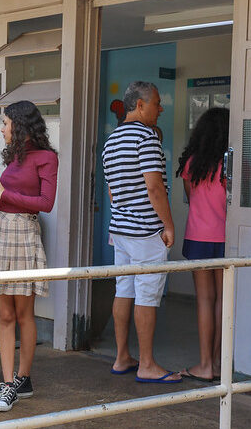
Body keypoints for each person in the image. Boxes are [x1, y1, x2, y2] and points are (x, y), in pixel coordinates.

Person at [0, 101, 58, 412]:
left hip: (24, 233)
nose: (2, 128)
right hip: (3, 233)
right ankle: (9, 381)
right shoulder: (14, 156)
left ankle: (20, 381)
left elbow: (46, 203)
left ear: (20, 125)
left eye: (5, 123)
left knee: (23, 314)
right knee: (5, 314)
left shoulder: (47, 158)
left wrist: (3, 193)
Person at [102, 81, 180, 384]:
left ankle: (122, 357)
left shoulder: (112, 140)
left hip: (120, 229)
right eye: (157, 103)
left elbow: (111, 192)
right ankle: (147, 364)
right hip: (146, 230)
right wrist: (169, 225)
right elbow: (154, 186)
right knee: (147, 295)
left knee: (124, 289)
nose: (160, 109)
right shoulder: (146, 137)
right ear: (140, 105)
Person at [176, 107, 229, 382]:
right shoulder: (231, 164)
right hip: (225, 238)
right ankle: (218, 364)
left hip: (198, 237)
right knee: (223, 301)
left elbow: (190, 197)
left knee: (205, 301)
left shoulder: (192, 164)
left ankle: (205, 364)